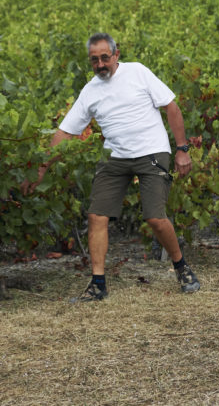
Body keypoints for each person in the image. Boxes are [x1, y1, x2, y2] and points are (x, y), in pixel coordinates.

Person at [33, 33, 201, 302]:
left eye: (104, 58)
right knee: (96, 216)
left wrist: (182, 150)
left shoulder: (138, 73)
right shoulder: (90, 91)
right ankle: (98, 284)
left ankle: (182, 267)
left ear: (116, 54)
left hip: (151, 152)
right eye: (94, 60)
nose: (100, 64)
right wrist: (42, 166)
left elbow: (171, 107)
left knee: (155, 218)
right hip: (115, 158)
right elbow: (66, 132)